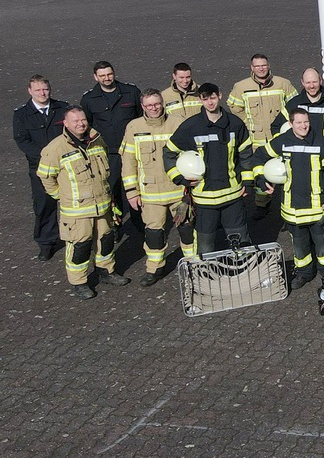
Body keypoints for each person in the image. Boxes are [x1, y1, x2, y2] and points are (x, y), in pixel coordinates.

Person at [38, 106, 130, 298]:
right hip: (77, 211)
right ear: (66, 123)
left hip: (102, 205)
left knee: (105, 241)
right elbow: (46, 176)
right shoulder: (55, 149)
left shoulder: (97, 139)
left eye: (83, 120)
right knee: (80, 247)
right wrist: (60, 195)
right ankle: (79, 282)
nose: (80, 124)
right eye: (75, 121)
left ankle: (106, 272)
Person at [255, 108, 324, 300]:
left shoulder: (320, 142)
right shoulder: (282, 141)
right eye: (299, 123)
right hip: (292, 208)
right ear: (291, 123)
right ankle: (304, 273)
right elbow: (259, 156)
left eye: (306, 122)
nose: (303, 126)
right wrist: (261, 179)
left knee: (323, 245)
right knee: (299, 246)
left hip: (318, 206)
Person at [164, 83, 254, 256]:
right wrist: (179, 178)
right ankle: (205, 273)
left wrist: (248, 182)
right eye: (205, 99)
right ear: (200, 99)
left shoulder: (235, 124)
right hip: (204, 201)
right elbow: (169, 152)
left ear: (220, 95)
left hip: (233, 197)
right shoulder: (191, 127)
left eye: (213, 98)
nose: (210, 102)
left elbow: (246, 155)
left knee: (241, 244)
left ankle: (243, 270)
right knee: (205, 248)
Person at [119, 89, 190, 286]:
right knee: (154, 234)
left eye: (157, 104)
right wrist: (131, 192)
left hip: (178, 191)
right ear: (143, 106)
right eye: (149, 105)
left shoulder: (177, 123)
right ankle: (154, 269)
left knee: (187, 229)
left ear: (163, 103)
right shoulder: (134, 127)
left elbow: (191, 153)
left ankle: (193, 264)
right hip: (150, 194)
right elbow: (128, 162)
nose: (154, 108)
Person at [228, 54, 297, 217]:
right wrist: (248, 122)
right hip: (256, 141)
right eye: (257, 66)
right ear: (252, 68)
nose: (261, 69)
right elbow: (234, 107)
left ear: (269, 65)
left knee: (288, 170)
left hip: (279, 139)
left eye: (264, 65)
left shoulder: (283, 84)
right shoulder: (241, 87)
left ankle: (291, 202)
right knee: (259, 173)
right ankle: (262, 204)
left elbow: (295, 105)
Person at [80, 61, 142, 228]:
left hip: (132, 150)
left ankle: (140, 224)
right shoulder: (89, 99)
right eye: (102, 76)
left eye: (109, 74)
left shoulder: (131, 92)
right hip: (108, 153)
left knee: (136, 186)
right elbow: (87, 126)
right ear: (95, 77)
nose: (106, 78)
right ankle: (116, 224)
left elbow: (141, 117)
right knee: (112, 190)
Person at [13, 75, 69, 261]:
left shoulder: (63, 108)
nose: (42, 93)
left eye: (45, 89)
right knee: (44, 204)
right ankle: (47, 243)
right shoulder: (21, 114)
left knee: (73, 201)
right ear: (30, 91)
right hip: (39, 167)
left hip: (65, 163)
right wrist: (46, 156)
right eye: (37, 90)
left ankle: (77, 237)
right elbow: (22, 140)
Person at [278, 68, 324, 169]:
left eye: (314, 82)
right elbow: (277, 126)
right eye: (308, 82)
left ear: (320, 81)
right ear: (302, 82)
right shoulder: (294, 104)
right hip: (301, 161)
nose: (312, 86)